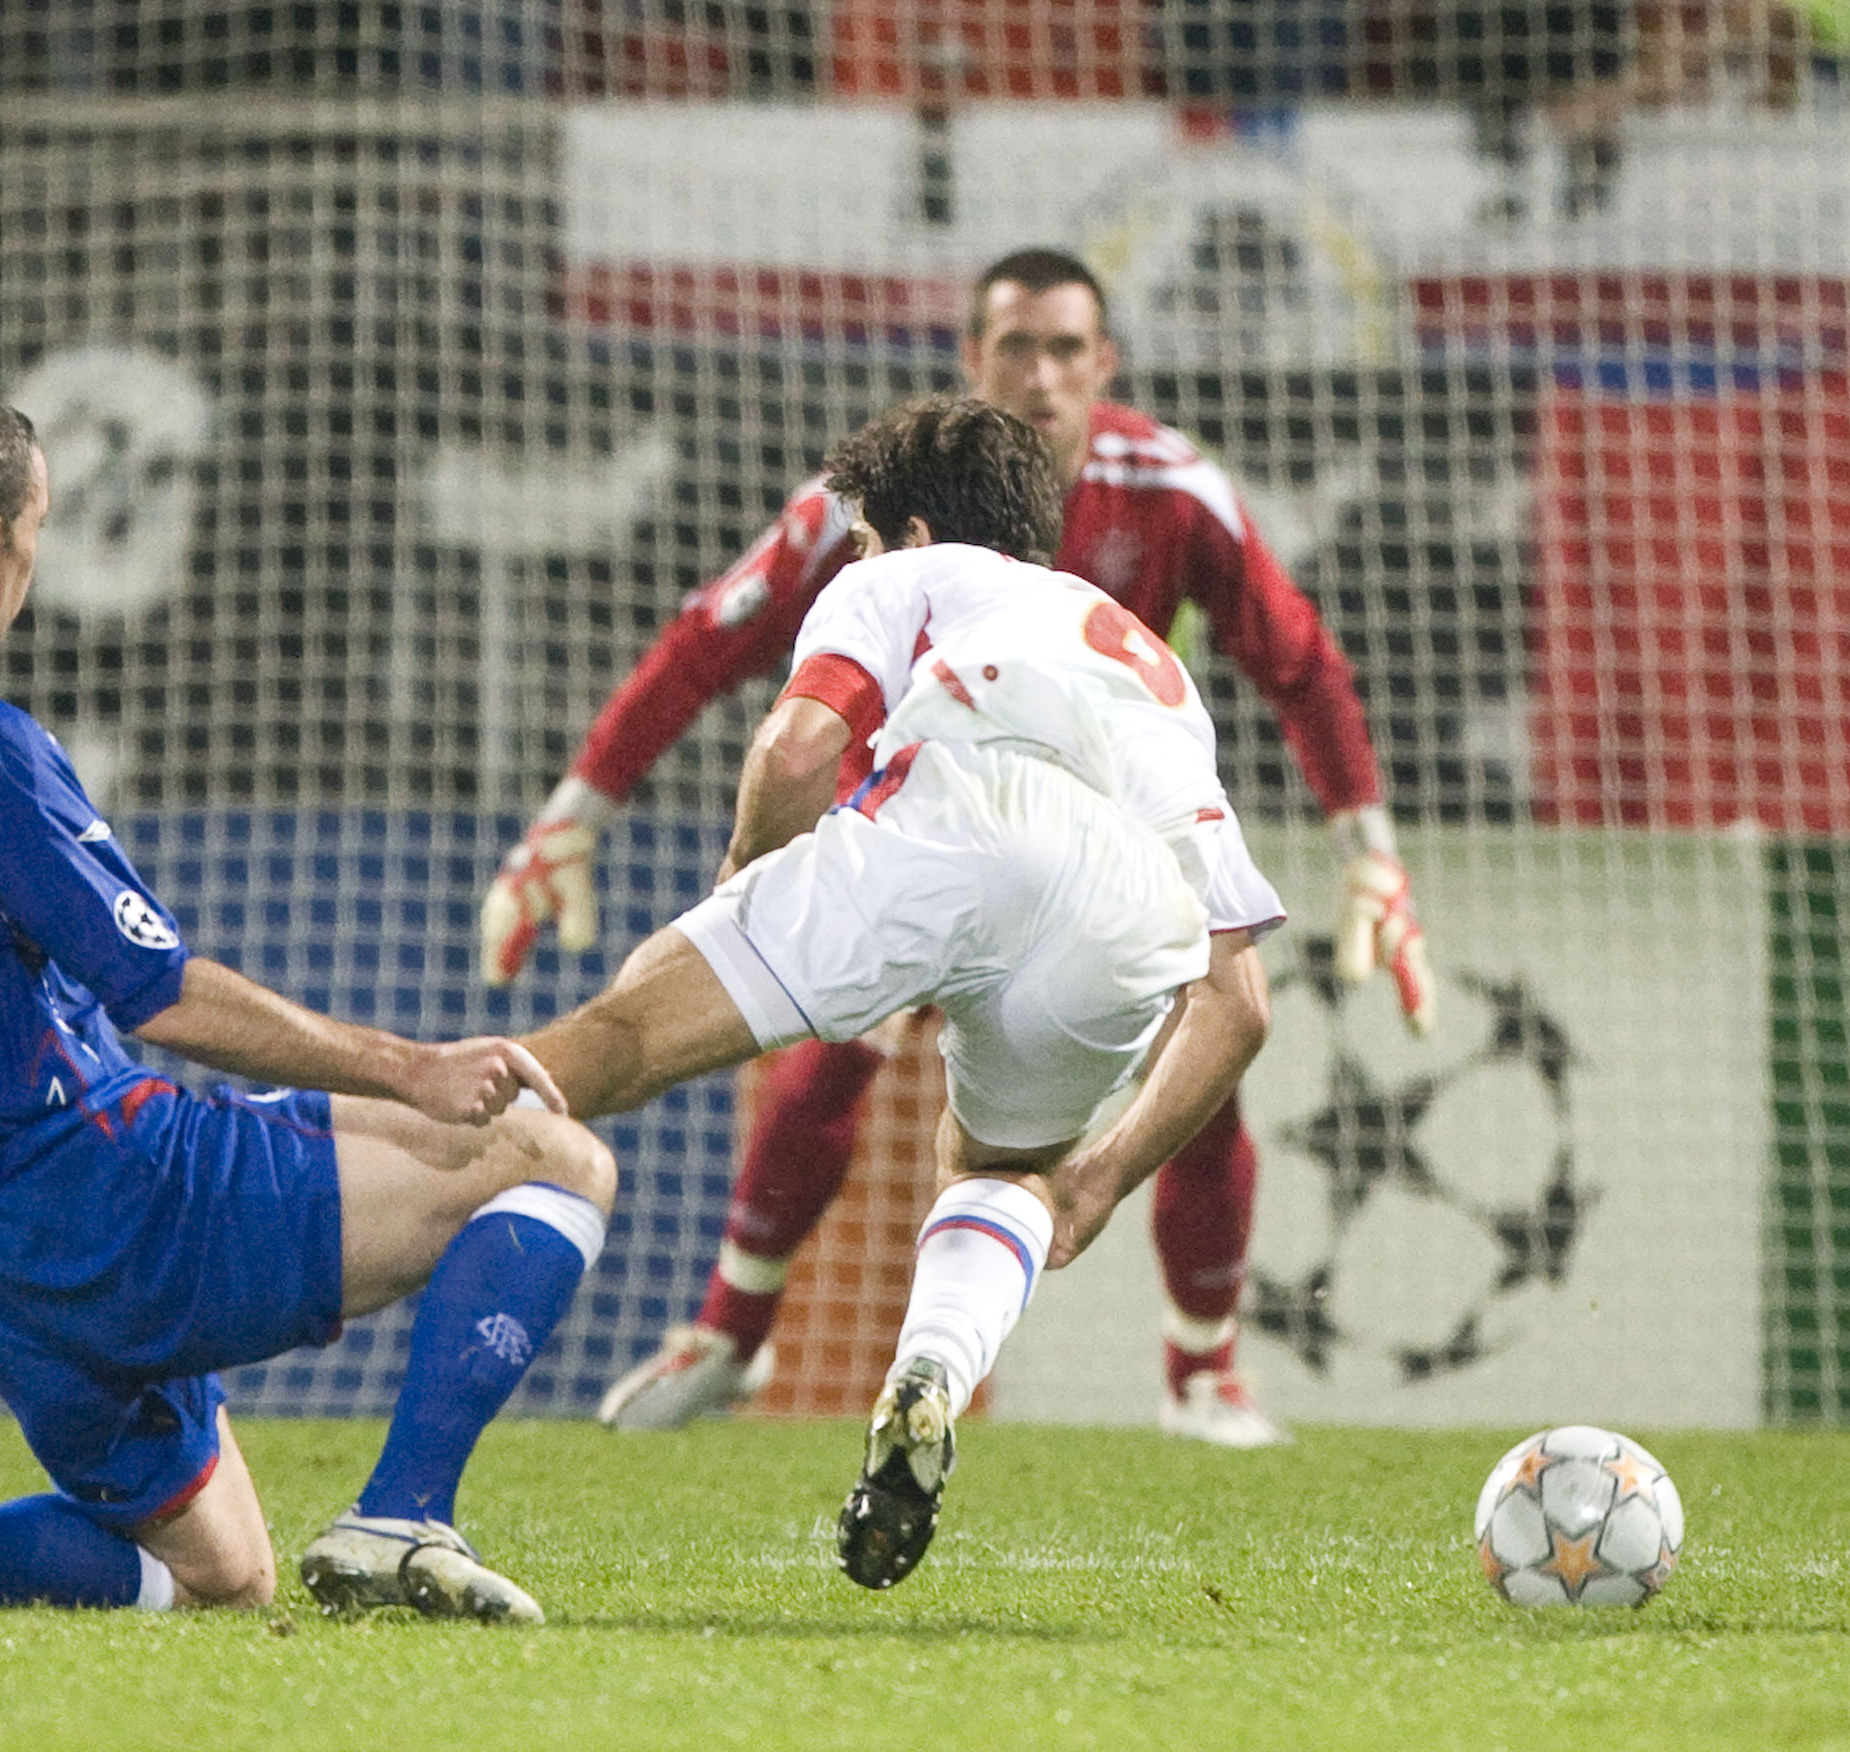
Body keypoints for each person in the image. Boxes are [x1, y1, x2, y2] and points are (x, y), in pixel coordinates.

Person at [0, 386, 613, 1626]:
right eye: (34, 535)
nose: (28, 571)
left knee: (224, 1573)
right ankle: (401, 1515)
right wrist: (408, 1067)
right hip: (109, 1196)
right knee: (554, 1157)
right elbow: (160, 995)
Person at [483, 247, 1430, 1446]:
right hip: (1109, 876)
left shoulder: (1091, 508)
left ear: (1106, 366)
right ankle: (776, 1340)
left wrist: (732, 882)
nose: (1040, 375)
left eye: (1065, 350)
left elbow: (1300, 664)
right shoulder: (1099, 623)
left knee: (650, 1034)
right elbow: (707, 638)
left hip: (932, 832)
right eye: (1014, 349)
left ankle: (1197, 1372)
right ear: (973, 360)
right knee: (1054, 1121)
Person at [514, 396, 1280, 1588]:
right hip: (1127, 911)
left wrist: (735, 902)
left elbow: (800, 750)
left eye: (866, 538)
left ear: (909, 529)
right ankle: (931, 1369)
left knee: (620, 1033)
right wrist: (1096, 1184)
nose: (859, 557)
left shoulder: (903, 576)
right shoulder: (1152, 661)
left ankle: (383, 1177)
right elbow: (1239, 1005)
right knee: (997, 1173)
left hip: (951, 817)